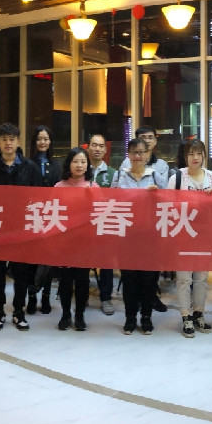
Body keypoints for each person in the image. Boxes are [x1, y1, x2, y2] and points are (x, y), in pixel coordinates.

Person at [0, 123, 42, 331]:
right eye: (4, 139)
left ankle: (18, 311)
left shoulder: (30, 167)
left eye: (12, 139)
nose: (8, 143)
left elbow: (38, 198)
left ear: (18, 142)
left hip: (22, 229)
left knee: (21, 273)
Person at [113, 137, 170, 335]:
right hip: (127, 236)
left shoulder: (156, 177)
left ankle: (146, 316)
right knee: (129, 279)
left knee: (149, 279)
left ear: (148, 154)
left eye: (141, 152)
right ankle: (130, 317)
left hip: (150, 237)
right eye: (134, 152)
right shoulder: (120, 176)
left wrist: (156, 196)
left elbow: (168, 203)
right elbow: (112, 201)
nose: (137, 156)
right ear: (128, 155)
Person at [173, 139, 212, 337]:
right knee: (184, 278)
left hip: (204, 236)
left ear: (204, 155)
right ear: (185, 156)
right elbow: (167, 206)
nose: (195, 158)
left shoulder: (210, 177)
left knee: (201, 278)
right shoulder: (177, 177)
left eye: (199, 153)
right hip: (183, 234)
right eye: (191, 154)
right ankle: (186, 316)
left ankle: (199, 313)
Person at [52, 148, 95, 331]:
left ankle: (79, 315)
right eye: (75, 161)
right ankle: (65, 314)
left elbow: (99, 214)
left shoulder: (93, 187)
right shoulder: (58, 187)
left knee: (83, 280)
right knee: (65, 280)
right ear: (69, 164)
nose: (79, 165)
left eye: (83, 162)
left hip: (85, 242)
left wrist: (92, 197)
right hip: (65, 242)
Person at [25, 125, 60, 315]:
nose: (42, 142)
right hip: (32, 216)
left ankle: (46, 296)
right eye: (39, 139)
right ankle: (32, 296)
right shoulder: (27, 164)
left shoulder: (56, 165)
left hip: (51, 216)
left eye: (46, 139)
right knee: (32, 258)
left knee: (48, 258)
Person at [86, 134, 118, 315]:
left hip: (104, 225)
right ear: (88, 148)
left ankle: (106, 298)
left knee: (106, 261)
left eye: (100, 146)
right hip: (83, 227)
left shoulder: (113, 173)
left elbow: (116, 200)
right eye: (94, 145)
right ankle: (82, 295)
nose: (97, 149)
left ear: (105, 149)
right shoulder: (81, 170)